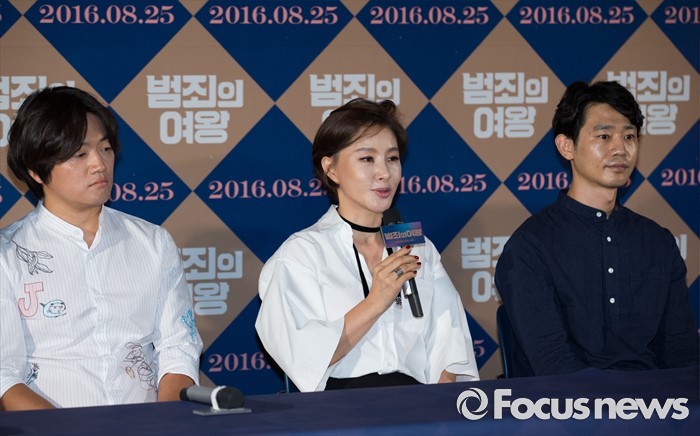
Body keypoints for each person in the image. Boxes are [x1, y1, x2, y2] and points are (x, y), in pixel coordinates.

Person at [255, 98, 479, 392]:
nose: (384, 173)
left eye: (392, 158)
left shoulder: (416, 246)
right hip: (338, 405)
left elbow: (451, 345)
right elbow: (302, 357)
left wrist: (438, 404)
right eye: (367, 159)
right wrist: (377, 300)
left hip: (419, 403)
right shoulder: (302, 254)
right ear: (331, 169)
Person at [0, 86, 203, 410]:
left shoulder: (153, 242)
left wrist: (164, 423)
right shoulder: (8, 255)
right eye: (79, 154)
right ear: (36, 170)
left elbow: (178, 348)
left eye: (105, 148)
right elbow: (5, 375)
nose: (99, 164)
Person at [494, 81, 699, 377]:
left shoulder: (658, 241)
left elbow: (682, 352)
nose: (620, 148)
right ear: (567, 146)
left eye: (629, 136)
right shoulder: (530, 246)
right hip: (566, 402)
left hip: (653, 400)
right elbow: (552, 363)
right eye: (604, 136)